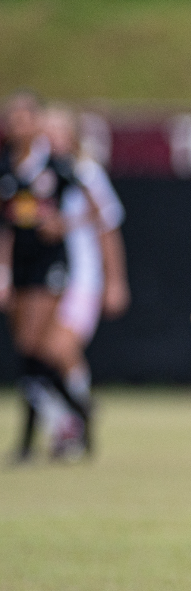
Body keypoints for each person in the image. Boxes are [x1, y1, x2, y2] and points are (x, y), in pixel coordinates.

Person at [35, 105, 132, 457]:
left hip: (82, 277)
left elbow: (107, 229)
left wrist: (115, 281)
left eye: (58, 131)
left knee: (59, 349)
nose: (51, 139)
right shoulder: (36, 174)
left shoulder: (85, 174)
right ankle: (64, 426)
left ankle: (76, 417)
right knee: (38, 355)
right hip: (46, 278)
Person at [0, 91, 91, 461]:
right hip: (19, 268)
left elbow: (96, 210)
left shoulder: (56, 166)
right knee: (30, 353)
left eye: (25, 117)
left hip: (49, 267)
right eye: (12, 118)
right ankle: (81, 410)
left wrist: (62, 223)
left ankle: (26, 441)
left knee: (34, 351)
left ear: (36, 122)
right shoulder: (6, 168)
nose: (18, 125)